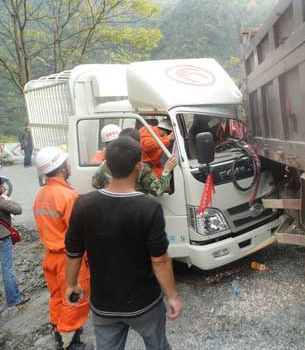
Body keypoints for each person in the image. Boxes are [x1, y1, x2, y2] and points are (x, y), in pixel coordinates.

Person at [65, 137, 183, 350]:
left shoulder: (82, 205)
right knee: (158, 346)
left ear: (107, 164)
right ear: (138, 166)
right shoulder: (148, 208)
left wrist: (71, 284)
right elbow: (160, 260)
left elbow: (73, 252)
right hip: (145, 303)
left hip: (103, 305)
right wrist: (172, 296)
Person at [33, 147, 91, 350]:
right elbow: (78, 234)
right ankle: (69, 342)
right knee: (75, 298)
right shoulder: (67, 196)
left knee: (58, 296)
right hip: (68, 260)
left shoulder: (42, 194)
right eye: (67, 162)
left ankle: (59, 331)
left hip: (50, 257)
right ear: (62, 168)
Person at [92, 128, 177, 196]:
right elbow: (158, 191)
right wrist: (167, 170)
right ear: (137, 144)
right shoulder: (140, 167)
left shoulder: (106, 163)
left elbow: (95, 184)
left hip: (111, 209)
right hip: (136, 210)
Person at [0, 178, 29, 308]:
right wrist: (8, 199)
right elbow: (18, 210)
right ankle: (14, 298)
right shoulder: (2, 201)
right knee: (7, 269)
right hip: (2, 238)